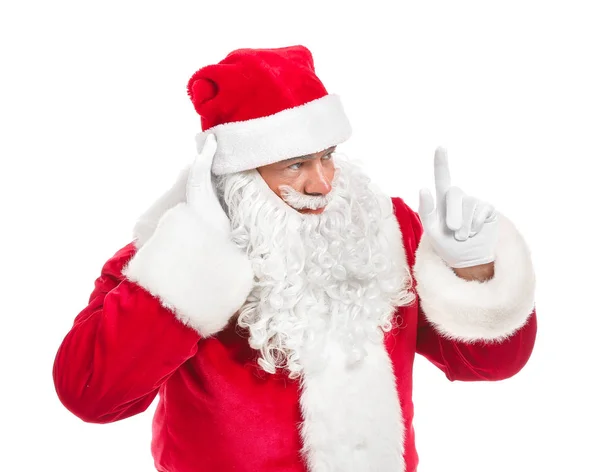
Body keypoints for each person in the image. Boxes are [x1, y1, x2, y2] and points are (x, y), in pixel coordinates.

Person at [52, 45, 537, 472]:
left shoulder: (384, 227)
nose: (322, 184)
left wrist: (474, 270)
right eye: (295, 165)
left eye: (326, 156)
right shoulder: (163, 257)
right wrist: (190, 260)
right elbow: (91, 395)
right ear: (236, 171)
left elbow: (488, 366)